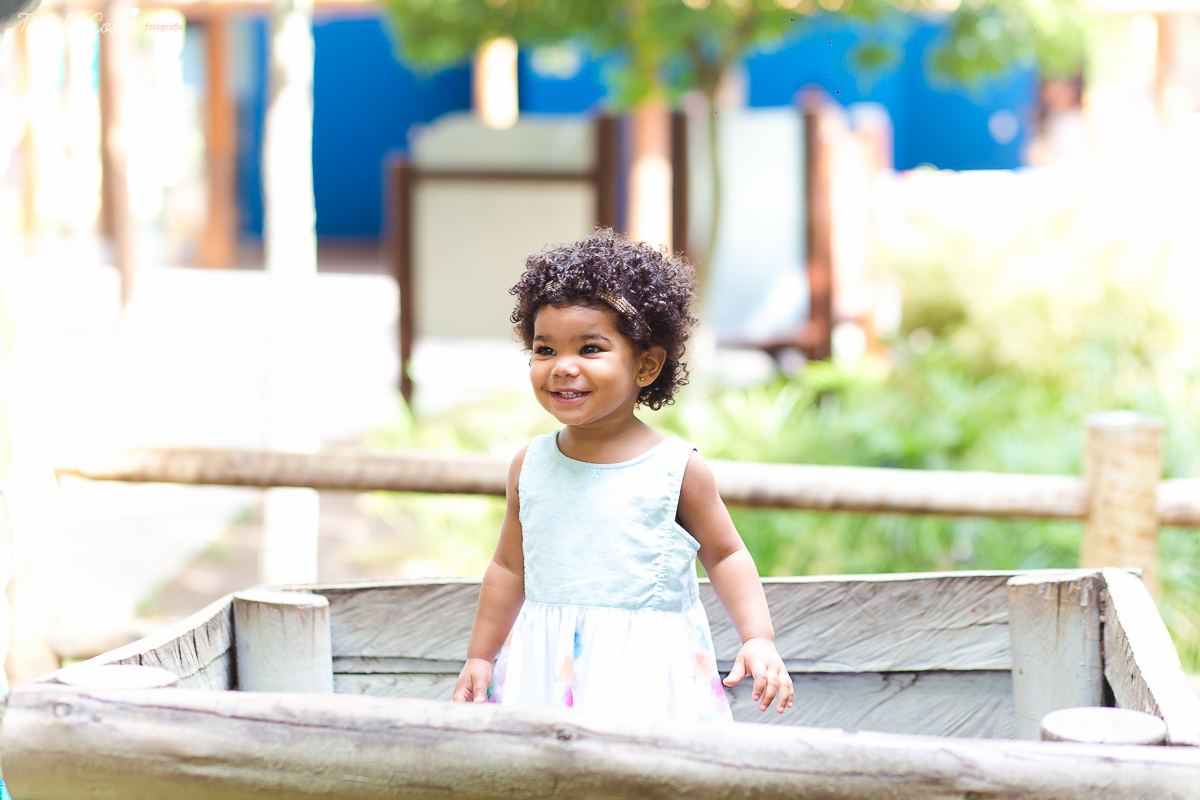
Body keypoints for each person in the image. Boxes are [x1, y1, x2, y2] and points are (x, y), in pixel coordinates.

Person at [452, 230, 794, 722]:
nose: (561, 367)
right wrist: (481, 656)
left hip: (646, 675)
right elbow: (509, 568)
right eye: (545, 350)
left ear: (647, 365)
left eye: (590, 349)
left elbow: (726, 554)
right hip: (545, 672)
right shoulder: (530, 465)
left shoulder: (674, 468)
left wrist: (757, 639)